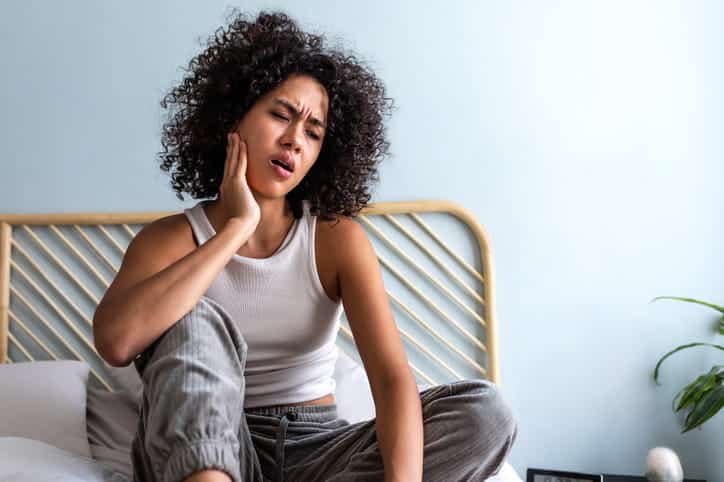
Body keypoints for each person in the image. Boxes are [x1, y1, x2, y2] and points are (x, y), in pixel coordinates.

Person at [92, 10, 516, 482]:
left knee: (486, 413)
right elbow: (116, 342)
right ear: (233, 117)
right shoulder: (169, 238)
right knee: (193, 318)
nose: (294, 140)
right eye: (280, 115)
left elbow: (393, 380)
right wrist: (236, 227)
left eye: (313, 133)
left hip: (318, 450)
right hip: (211, 448)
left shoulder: (335, 239)